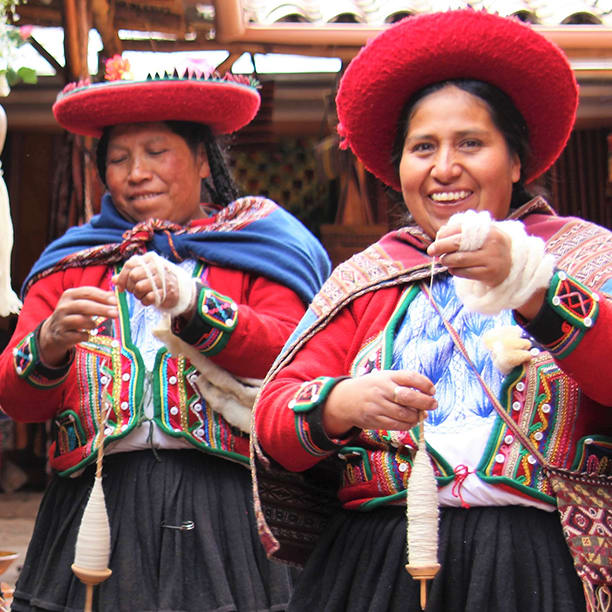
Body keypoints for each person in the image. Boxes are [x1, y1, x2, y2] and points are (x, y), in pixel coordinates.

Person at [252, 10, 612, 612]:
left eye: (471, 143)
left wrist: (531, 288)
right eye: (424, 148)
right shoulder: (368, 278)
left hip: (536, 564)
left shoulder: (584, 256)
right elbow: (273, 422)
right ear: (400, 169)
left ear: (517, 161)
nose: (444, 168)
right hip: (375, 565)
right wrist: (340, 403)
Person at [0, 57, 330, 612]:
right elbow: (16, 398)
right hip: (95, 501)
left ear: (203, 159)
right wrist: (50, 341)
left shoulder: (259, 249)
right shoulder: (72, 263)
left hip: (225, 505)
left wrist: (193, 304)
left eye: (157, 152)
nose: (136, 173)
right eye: (120, 158)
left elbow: (294, 357)